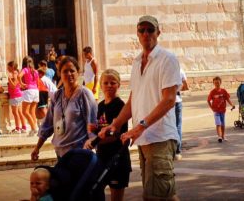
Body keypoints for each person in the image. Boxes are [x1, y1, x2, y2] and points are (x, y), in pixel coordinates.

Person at [102, 15, 182, 201]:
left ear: (158, 33)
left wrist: (139, 127)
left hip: (160, 137)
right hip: (145, 139)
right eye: (141, 30)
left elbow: (169, 100)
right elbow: (133, 99)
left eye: (150, 30)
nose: (146, 34)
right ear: (137, 34)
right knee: (161, 195)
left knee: (157, 196)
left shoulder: (167, 59)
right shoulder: (137, 62)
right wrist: (115, 125)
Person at [31, 55, 97, 161]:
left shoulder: (85, 94)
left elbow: (92, 123)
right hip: (60, 152)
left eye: (72, 70)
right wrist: (37, 148)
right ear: (59, 74)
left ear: (78, 72)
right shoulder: (57, 96)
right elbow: (47, 124)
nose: (69, 74)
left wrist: (94, 147)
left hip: (79, 152)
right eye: (65, 71)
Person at [84, 68, 131, 201]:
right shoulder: (100, 106)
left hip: (117, 157)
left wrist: (94, 141)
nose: (109, 86)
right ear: (100, 84)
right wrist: (94, 129)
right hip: (102, 157)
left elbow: (114, 134)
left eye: (113, 82)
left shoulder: (120, 105)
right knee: (95, 192)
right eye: (106, 83)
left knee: (116, 197)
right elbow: (102, 128)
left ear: (118, 85)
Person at [207, 76, 234, 142]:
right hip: (216, 111)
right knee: (218, 123)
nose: (217, 84)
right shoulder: (212, 92)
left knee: (223, 124)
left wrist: (232, 104)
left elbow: (227, 99)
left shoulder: (223, 91)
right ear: (213, 83)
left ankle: (223, 135)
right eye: (215, 83)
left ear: (220, 83)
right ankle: (219, 136)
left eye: (218, 83)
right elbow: (208, 100)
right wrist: (211, 108)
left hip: (222, 110)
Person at [21, 56, 41, 135]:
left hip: (29, 90)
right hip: (36, 90)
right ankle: (34, 129)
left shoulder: (25, 69)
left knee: (25, 111)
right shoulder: (35, 71)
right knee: (32, 111)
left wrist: (21, 84)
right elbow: (38, 82)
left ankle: (34, 128)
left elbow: (19, 76)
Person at [7, 60, 25, 133]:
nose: (7, 68)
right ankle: (23, 127)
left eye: (8, 67)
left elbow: (14, 86)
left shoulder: (14, 74)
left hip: (15, 95)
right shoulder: (16, 73)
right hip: (18, 95)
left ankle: (17, 128)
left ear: (12, 67)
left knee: (15, 113)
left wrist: (9, 79)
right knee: (20, 112)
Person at [174, 69, 189, 158]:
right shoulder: (181, 71)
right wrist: (178, 89)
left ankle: (171, 149)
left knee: (169, 125)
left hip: (167, 101)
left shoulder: (165, 69)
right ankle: (177, 150)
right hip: (178, 100)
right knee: (178, 126)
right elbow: (186, 86)